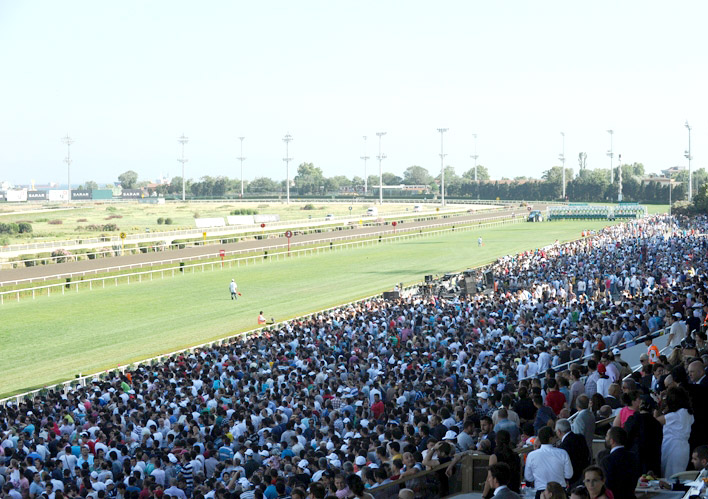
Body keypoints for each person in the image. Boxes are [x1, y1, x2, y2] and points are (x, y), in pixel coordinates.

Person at [655, 385, 694, 478]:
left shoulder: (675, 416)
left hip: (672, 447)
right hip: (683, 447)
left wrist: (658, 405)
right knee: (678, 476)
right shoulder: (688, 414)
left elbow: (655, 422)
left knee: (670, 476)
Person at [524, 426, 572, 498]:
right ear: (551, 439)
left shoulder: (531, 455)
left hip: (541, 492)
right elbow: (569, 474)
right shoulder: (562, 453)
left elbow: (529, 477)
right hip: (560, 491)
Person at [624, 395, 662, 476]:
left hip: (634, 457)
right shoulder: (656, 424)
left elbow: (626, 439)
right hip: (652, 460)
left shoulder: (632, 420)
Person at [600, 427, 640, 499]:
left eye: (606, 436)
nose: (605, 439)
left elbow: (607, 486)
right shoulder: (633, 457)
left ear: (612, 441)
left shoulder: (607, 460)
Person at [480, 430, 521, 498]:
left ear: (496, 441)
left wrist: (484, 495)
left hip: (497, 491)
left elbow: (489, 477)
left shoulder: (494, 457)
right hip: (513, 490)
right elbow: (519, 475)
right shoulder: (516, 456)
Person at [556, 419, 590, 488]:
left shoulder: (563, 446)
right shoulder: (581, 437)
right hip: (584, 473)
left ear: (559, 432)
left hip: (572, 479)